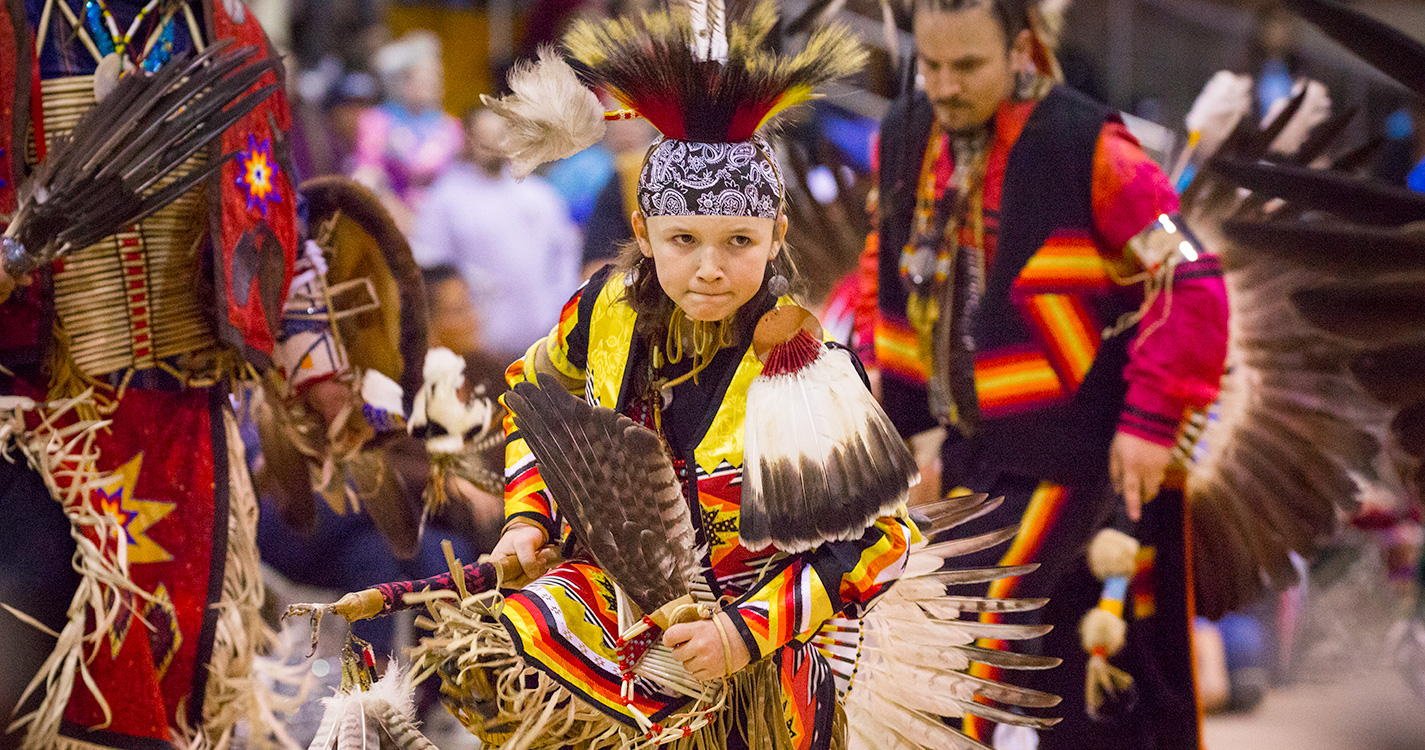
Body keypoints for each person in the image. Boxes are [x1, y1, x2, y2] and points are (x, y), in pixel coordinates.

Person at [388, 3, 1058, 749]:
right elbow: (534, 408)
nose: (709, 268)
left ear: (774, 238)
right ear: (642, 233)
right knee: (492, 644)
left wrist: (743, 634)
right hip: (613, 614)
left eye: (737, 240)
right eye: (683, 240)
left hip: (760, 651)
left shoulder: (810, 368)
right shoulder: (597, 315)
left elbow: (878, 540)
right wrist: (526, 521)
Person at [861, 0, 1229, 747]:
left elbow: (1189, 281)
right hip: (968, 452)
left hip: (1077, 456)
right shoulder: (904, 134)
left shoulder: (1092, 148)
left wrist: (1152, 420)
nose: (943, 85)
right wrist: (904, 433)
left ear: (1021, 49)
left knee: (958, 638)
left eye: (967, 66)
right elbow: (892, 274)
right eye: (930, 65)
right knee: (1059, 673)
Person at [0, 3, 301, 748]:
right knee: (40, 664)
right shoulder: (17, 24)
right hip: (38, 419)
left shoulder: (225, 28)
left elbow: (277, 212)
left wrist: (317, 371)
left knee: (176, 678)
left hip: (184, 421)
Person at [411, 108, 581, 362]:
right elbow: (432, 267)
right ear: (468, 139)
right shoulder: (445, 200)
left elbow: (565, 256)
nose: (493, 146)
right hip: (481, 345)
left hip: (545, 338)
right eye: (485, 138)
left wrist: (560, 308)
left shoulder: (540, 195)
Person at [351, 30, 463, 234]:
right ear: (402, 81)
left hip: (446, 222)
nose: (433, 83)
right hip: (395, 221)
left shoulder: (451, 126)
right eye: (424, 77)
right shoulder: (378, 121)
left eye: (437, 76)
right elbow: (367, 172)